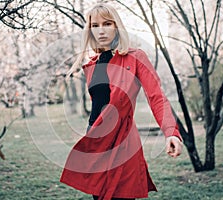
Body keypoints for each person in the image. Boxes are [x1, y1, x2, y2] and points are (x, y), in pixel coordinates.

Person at [60, 3, 183, 200]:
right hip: (95, 139)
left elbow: (157, 97)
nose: (101, 30)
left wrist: (171, 133)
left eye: (107, 23)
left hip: (122, 141)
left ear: (117, 26)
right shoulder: (92, 64)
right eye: (95, 25)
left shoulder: (135, 57)